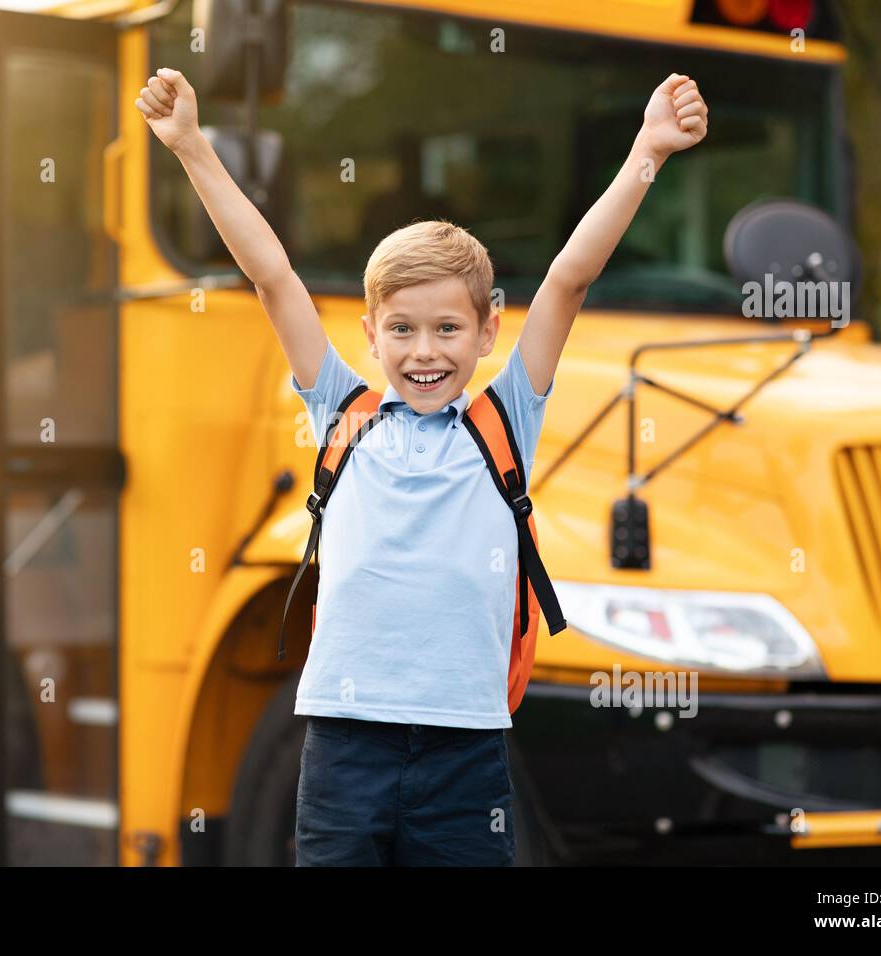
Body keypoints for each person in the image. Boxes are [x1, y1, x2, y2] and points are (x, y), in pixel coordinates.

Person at [136, 66, 708, 866]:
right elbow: (271, 276)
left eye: (447, 328)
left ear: (487, 329)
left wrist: (648, 149)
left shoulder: (503, 420)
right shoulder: (345, 413)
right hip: (343, 748)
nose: (425, 351)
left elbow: (569, 279)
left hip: (465, 754)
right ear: (370, 334)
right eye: (401, 330)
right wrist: (192, 145)